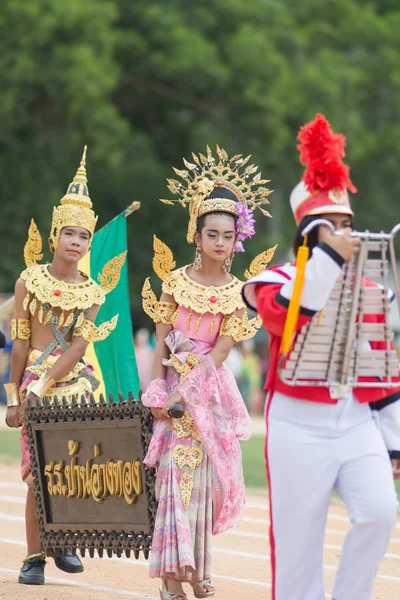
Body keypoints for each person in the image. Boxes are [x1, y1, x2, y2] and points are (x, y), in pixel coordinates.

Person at [243, 114, 400, 600]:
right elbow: (294, 314)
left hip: (356, 421)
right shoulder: (273, 282)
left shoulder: (371, 291)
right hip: (296, 422)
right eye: (330, 226)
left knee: (379, 513)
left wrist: (395, 442)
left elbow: (383, 370)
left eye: (347, 225)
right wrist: (327, 258)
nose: (343, 233)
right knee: (297, 546)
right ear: (307, 233)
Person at [141, 145, 276, 600]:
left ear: (237, 239)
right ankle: (171, 577)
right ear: (196, 236)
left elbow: (220, 350)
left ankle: (198, 567)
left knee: (206, 482)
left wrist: (191, 386)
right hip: (174, 388)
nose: (219, 242)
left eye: (227, 235)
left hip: (208, 392)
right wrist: (160, 391)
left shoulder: (239, 292)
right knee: (174, 477)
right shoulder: (174, 281)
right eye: (211, 234)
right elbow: (161, 340)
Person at [4, 147, 125, 585]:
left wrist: (45, 384)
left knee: (69, 469)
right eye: (69, 233)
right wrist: (16, 396)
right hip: (33, 381)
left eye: (84, 237)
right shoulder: (27, 280)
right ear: (54, 236)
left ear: (90, 244)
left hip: (71, 385)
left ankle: (65, 540)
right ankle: (34, 556)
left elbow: (76, 348)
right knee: (38, 475)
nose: (76, 242)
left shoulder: (93, 293)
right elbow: (19, 344)